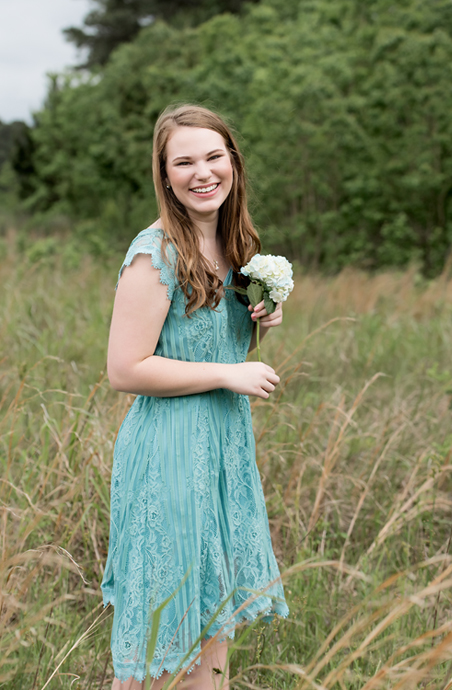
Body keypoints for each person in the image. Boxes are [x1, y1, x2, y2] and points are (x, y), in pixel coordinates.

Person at [102, 104, 289, 689]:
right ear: (165, 176)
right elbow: (124, 368)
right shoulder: (153, 253)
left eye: (213, 156)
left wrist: (267, 311)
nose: (202, 172)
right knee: (166, 634)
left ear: (232, 160)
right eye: (184, 162)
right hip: (171, 452)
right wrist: (227, 374)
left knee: (212, 633)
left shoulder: (236, 245)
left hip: (224, 449)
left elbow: (208, 332)